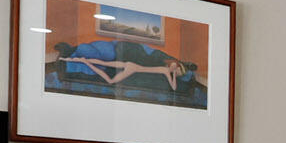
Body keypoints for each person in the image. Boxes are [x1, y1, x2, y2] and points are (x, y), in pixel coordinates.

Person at [51, 39, 192, 91]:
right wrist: (174, 72)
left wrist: (174, 73)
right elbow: (174, 87)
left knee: (103, 64)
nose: (175, 69)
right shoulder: (167, 69)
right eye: (178, 69)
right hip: (131, 66)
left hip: (130, 65)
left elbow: (174, 86)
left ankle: (73, 60)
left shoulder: (167, 70)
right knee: (108, 75)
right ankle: (80, 60)